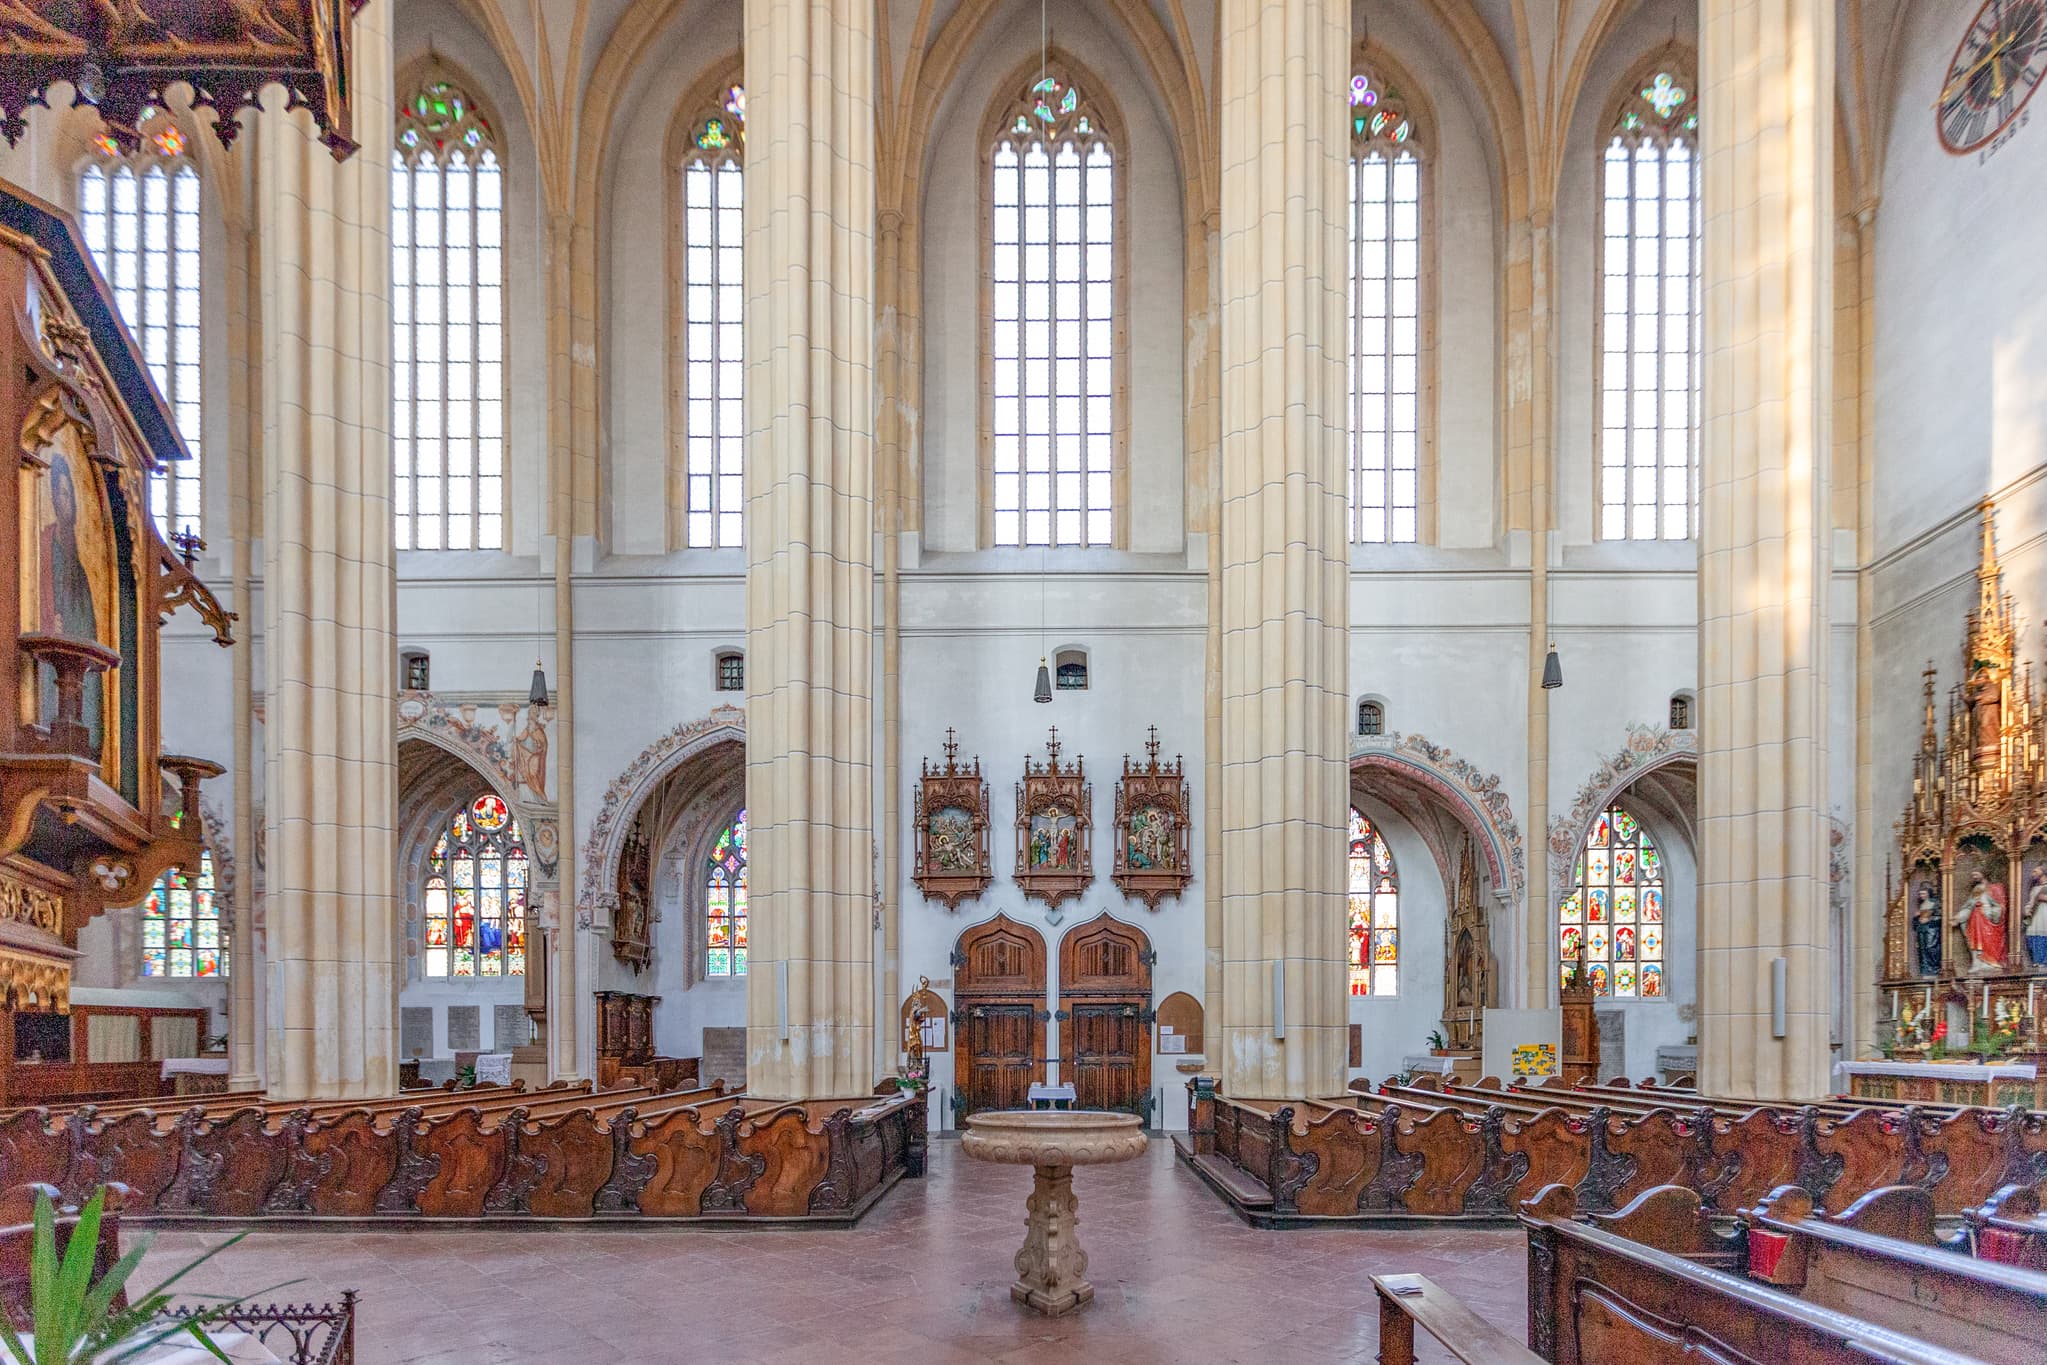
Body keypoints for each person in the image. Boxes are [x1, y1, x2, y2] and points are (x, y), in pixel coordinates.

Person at [1955, 871, 2008, 974]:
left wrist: (1991, 913)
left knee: (1986, 941)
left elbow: (1999, 906)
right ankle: (1977, 963)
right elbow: (1968, 906)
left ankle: (1988, 963)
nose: (1974, 877)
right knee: (1974, 940)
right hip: (1975, 921)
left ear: (1983, 874)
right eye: (1972, 875)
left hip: (1987, 922)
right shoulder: (1976, 891)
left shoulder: (1993, 888)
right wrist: (1959, 916)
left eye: (1976, 874)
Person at [1912, 886, 1943, 975]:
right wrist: (1916, 917)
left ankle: (1934, 969)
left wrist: (1929, 919)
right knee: (1922, 949)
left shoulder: (1935, 903)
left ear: (1929, 893)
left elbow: (1940, 916)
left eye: (1923, 893)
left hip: (1932, 929)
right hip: (1922, 929)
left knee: (1931, 947)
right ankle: (1925, 969)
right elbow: (1917, 920)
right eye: (1920, 894)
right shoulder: (1922, 905)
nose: (1921, 895)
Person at [2026, 866, 2047, 968]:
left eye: (2035, 871)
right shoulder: (2034, 888)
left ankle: (2045, 962)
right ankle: (2037, 961)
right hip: (2035, 917)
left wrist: (2045, 898)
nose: (2032, 873)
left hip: (2045, 916)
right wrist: (2027, 911)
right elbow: (2030, 903)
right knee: (2033, 938)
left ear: (2043, 872)